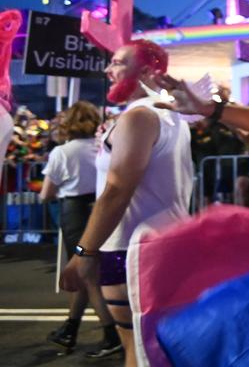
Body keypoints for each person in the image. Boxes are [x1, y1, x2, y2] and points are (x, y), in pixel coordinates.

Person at [62, 40, 193, 367]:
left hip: (131, 251)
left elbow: (117, 190)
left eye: (118, 63)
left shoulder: (140, 117)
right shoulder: (170, 114)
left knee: (138, 351)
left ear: (147, 71)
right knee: (159, 350)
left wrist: (83, 253)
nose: (108, 70)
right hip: (165, 244)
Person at [40, 102, 120, 358]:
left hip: (74, 211)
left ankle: (111, 333)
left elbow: (46, 194)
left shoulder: (61, 153)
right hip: (99, 208)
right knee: (87, 272)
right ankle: (70, 329)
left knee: (86, 274)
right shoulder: (101, 146)